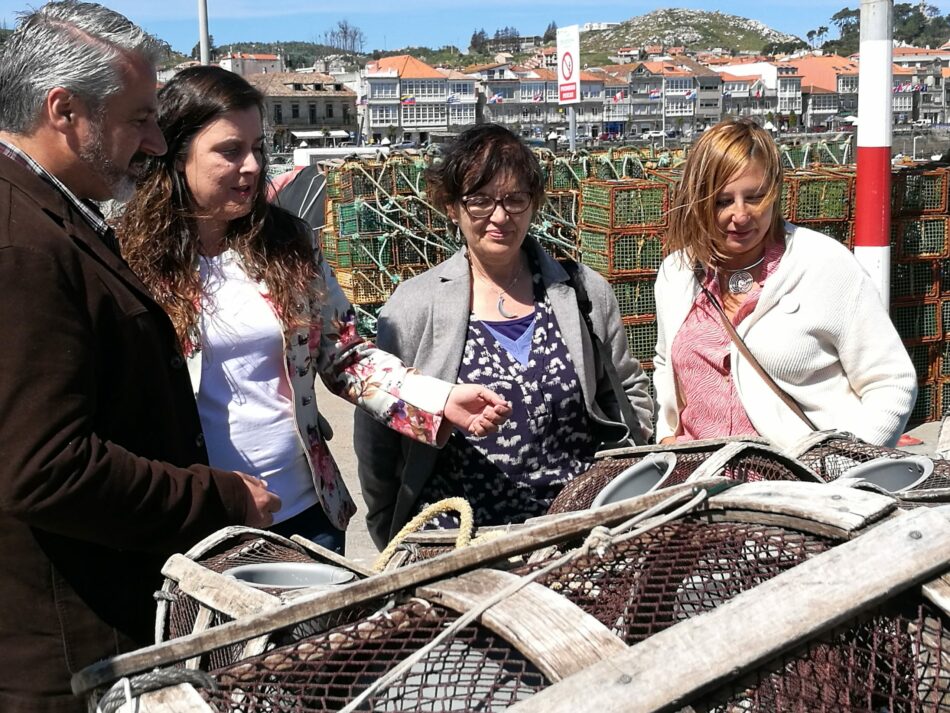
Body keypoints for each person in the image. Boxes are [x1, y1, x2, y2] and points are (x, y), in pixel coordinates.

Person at [0, 3, 281, 709]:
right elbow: (43, 469)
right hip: (66, 653)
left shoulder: (43, 216)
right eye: (138, 119)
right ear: (64, 111)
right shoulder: (22, 243)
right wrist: (219, 497)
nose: (156, 141)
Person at [119, 67, 509, 555]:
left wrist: (437, 398)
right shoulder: (128, 259)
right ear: (177, 156)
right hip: (197, 524)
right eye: (229, 150)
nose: (253, 166)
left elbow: (345, 354)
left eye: (258, 148)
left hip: (306, 511)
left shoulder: (289, 244)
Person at [355, 124, 654, 549]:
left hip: (575, 533)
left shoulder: (582, 292)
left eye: (515, 199)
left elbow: (627, 385)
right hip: (458, 542)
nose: (499, 216)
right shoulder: (413, 306)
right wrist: (390, 526)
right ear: (452, 207)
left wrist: (624, 475)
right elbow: (377, 435)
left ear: (534, 204)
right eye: (480, 200)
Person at [654, 118, 916, 449]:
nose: (741, 214)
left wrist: (850, 466)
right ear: (698, 198)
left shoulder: (822, 264)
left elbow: (892, 381)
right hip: (702, 486)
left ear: (774, 193)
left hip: (803, 489)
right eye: (723, 201)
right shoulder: (676, 272)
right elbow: (665, 363)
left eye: (755, 197)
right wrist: (667, 433)